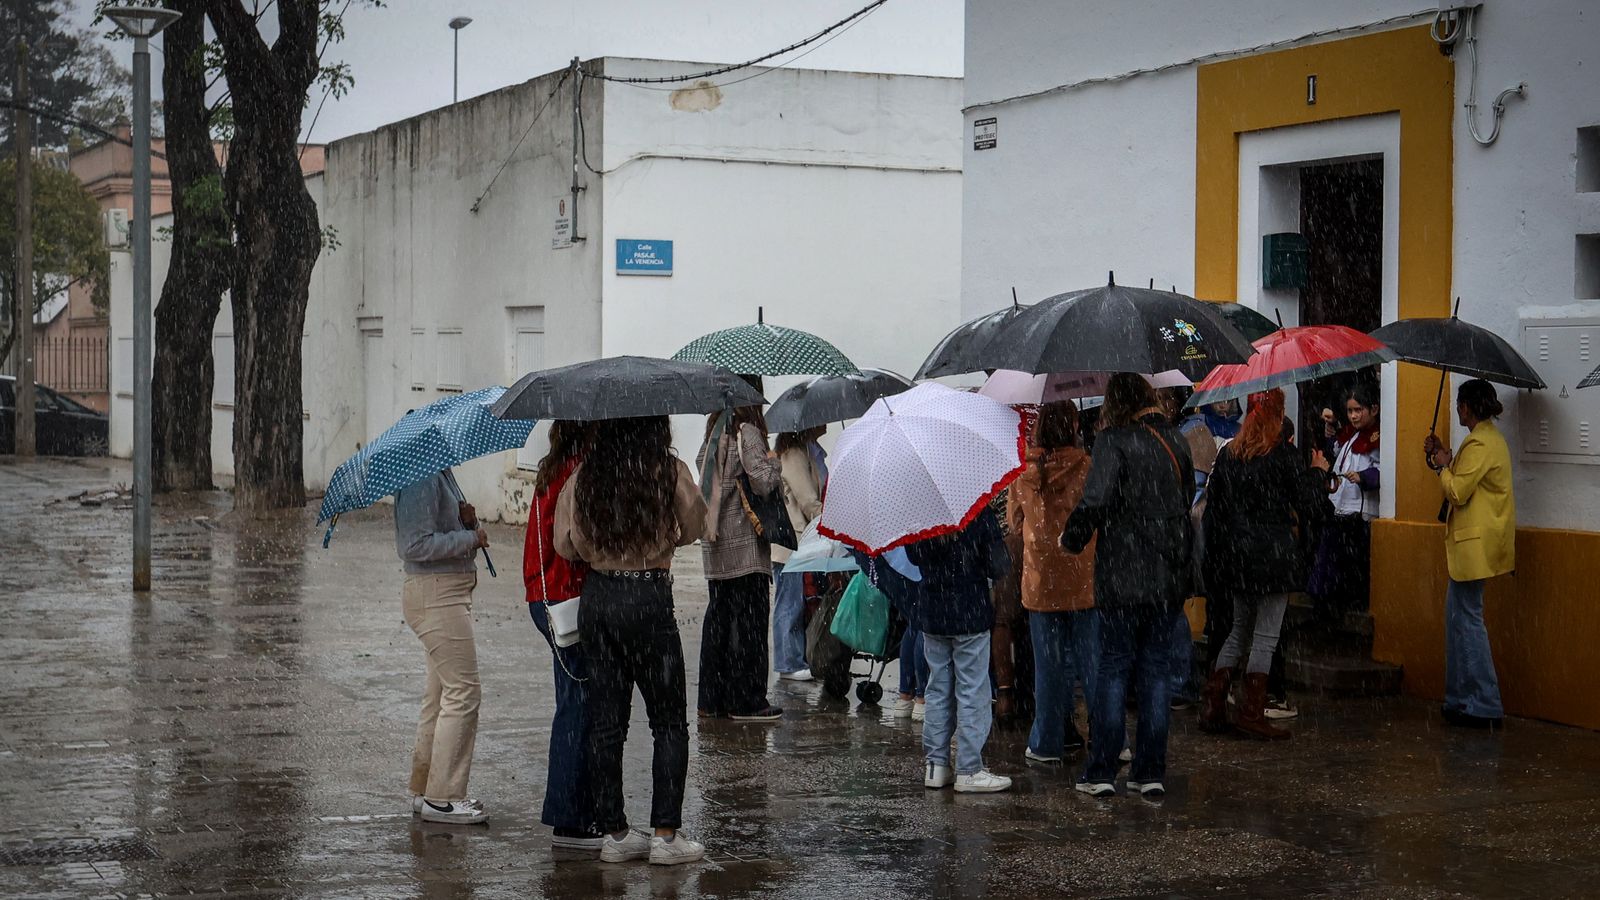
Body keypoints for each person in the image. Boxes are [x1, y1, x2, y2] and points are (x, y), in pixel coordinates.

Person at [553, 415, 709, 865]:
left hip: (599, 598)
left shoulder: (585, 476)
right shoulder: (667, 470)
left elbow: (564, 544)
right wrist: (659, 538)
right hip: (648, 597)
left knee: (607, 722)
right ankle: (665, 835)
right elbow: (697, 525)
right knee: (667, 721)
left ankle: (616, 835)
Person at [1062, 373, 1193, 800]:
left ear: (1114, 403)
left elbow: (1097, 500)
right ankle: (1149, 770)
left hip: (1122, 575)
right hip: (1168, 577)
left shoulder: (1112, 441)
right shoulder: (1175, 440)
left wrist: (1072, 537)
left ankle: (1101, 770)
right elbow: (1185, 498)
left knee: (1113, 669)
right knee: (1156, 671)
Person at [1197, 389, 1330, 740]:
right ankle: (1252, 710)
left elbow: (1218, 510)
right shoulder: (1284, 455)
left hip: (1238, 556)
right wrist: (1317, 473)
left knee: (1238, 629)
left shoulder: (1230, 455)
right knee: (1266, 636)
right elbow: (1309, 505)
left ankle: (1213, 703)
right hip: (1273, 556)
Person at [394, 467, 491, 825]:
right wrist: (470, 539)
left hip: (448, 592)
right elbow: (414, 545)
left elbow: (439, 532)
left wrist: (468, 522)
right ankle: (444, 797)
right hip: (437, 595)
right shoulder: (421, 475)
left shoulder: (439, 473)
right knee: (464, 691)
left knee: (440, 694)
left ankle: (425, 790)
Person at [523, 421, 600, 851]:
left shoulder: (550, 469)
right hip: (565, 598)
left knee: (571, 703)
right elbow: (573, 542)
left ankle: (572, 813)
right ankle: (571, 821)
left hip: (544, 595)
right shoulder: (577, 471)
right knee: (578, 708)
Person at [1007, 400, 1098, 763]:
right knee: (1092, 665)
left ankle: (1048, 741)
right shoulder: (1087, 466)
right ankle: (1110, 738)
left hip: (1040, 581)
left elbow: (1014, 524)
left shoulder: (1023, 471)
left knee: (1049, 666)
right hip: (1083, 578)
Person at [901, 507, 1014, 793]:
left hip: (932, 610)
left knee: (937, 687)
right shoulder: (976, 508)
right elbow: (998, 565)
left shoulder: (921, 512)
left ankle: (936, 766)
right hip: (969, 610)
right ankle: (969, 768)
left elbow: (914, 556)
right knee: (972, 688)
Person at [1424, 379, 1514, 729]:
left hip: (1474, 546)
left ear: (1468, 407)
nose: (1458, 409)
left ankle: (1484, 703)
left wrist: (1440, 467)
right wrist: (1445, 455)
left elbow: (1458, 491)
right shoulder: (1484, 439)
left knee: (1468, 622)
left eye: (1460, 404)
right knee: (1457, 620)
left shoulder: (1481, 442)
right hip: (1471, 546)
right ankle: (1461, 698)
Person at [696, 402, 785, 721]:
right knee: (749, 624)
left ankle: (711, 698)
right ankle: (746, 700)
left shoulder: (715, 429)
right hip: (744, 545)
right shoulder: (747, 431)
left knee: (719, 621)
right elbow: (761, 480)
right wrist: (775, 462)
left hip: (716, 545)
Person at [1308, 383, 1380, 621]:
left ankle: (1342, 608)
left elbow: (1382, 470)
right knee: (1329, 563)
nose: (1354, 415)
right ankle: (1326, 608)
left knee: (1348, 568)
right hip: (1339, 507)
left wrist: (1363, 477)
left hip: (1358, 512)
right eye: (1350, 411)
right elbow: (1338, 455)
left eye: (1358, 410)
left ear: (1374, 409)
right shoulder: (1350, 435)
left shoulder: (1378, 439)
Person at [771, 426, 827, 683]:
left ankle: (794, 658)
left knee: (794, 599)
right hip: (790, 541)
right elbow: (807, 499)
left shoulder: (808, 451)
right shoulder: (793, 454)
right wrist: (826, 518)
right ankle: (788, 662)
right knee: (790, 602)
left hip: (796, 539)